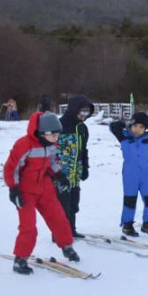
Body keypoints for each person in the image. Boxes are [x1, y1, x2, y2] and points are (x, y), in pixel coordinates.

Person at [3, 111, 79, 275]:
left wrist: (59, 174)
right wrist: (13, 189)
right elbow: (11, 168)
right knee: (29, 226)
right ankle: (20, 259)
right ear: (42, 132)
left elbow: (51, 162)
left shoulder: (51, 144)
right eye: (54, 135)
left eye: (58, 134)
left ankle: (67, 247)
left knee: (58, 217)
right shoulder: (24, 145)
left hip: (45, 187)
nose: (57, 138)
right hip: (25, 190)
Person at [110, 112, 148, 236]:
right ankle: (127, 225)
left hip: (146, 174)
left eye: (141, 127)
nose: (137, 129)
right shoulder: (124, 136)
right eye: (135, 126)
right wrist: (126, 124)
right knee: (130, 200)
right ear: (131, 125)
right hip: (130, 175)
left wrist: (147, 124)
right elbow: (113, 126)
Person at [56, 95, 94, 238]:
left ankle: (71, 230)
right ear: (73, 109)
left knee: (73, 203)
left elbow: (83, 150)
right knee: (62, 205)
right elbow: (50, 149)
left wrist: (85, 167)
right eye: (82, 111)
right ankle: (59, 233)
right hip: (60, 174)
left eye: (87, 113)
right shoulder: (59, 125)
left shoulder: (83, 128)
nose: (84, 115)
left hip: (75, 173)